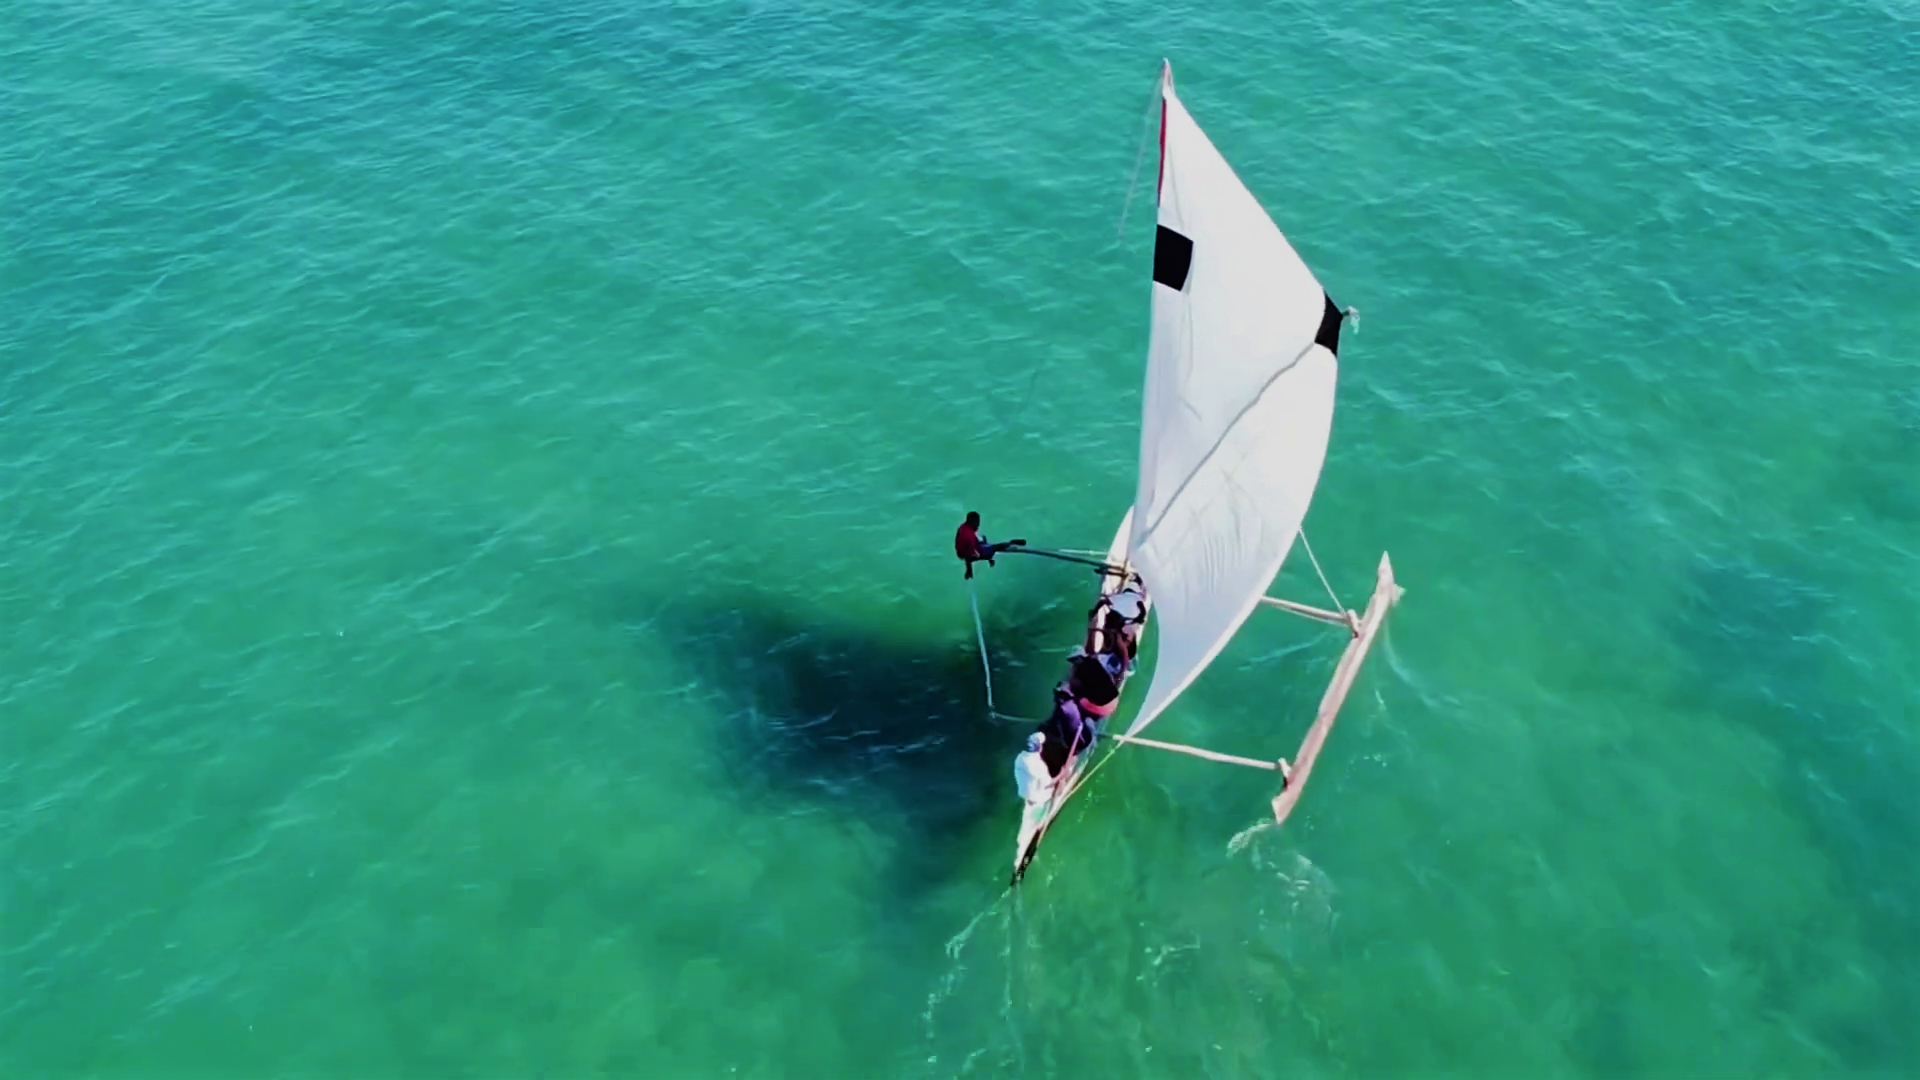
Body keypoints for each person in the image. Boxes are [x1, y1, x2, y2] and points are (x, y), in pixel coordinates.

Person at [954, 511, 1025, 579]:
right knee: (996, 547)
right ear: (972, 522)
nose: (978, 524)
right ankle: (1011, 542)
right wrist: (969, 570)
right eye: (977, 522)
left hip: (963, 550)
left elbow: (964, 545)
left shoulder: (963, 527)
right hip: (970, 552)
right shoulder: (969, 536)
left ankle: (989, 550)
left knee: (983, 539)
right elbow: (972, 554)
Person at [1014, 732, 1053, 804]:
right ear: (1040, 747)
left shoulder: (1019, 758)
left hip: (1022, 795)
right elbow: (1048, 783)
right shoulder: (1039, 765)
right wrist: (1062, 774)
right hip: (1036, 799)